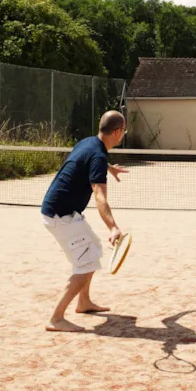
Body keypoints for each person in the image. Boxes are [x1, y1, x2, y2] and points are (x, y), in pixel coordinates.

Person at [40, 110, 129, 332]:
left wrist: (110, 168)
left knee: (94, 249)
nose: (123, 135)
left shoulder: (90, 143)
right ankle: (56, 318)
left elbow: (88, 159)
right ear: (117, 132)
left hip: (63, 211)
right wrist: (113, 227)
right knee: (85, 266)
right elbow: (99, 197)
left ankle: (84, 303)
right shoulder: (98, 156)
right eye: (124, 131)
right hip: (61, 216)